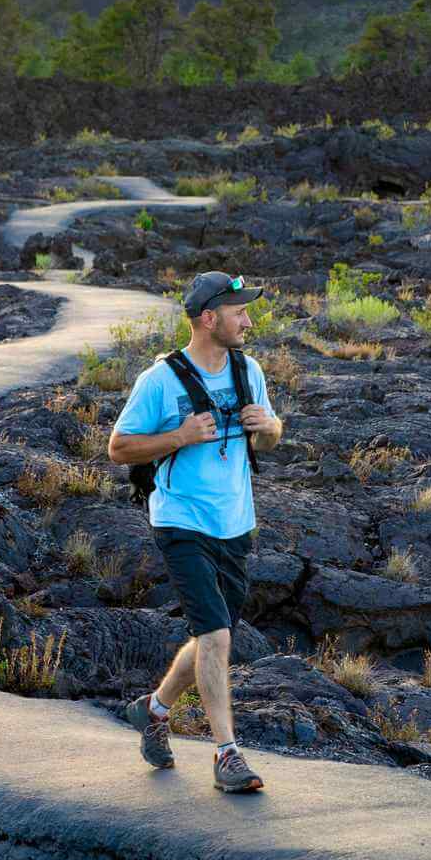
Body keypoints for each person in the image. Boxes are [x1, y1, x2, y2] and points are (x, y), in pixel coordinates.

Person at [107, 271, 282, 793]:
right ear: (210, 318)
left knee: (211, 637)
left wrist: (268, 427)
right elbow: (118, 448)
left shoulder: (248, 370)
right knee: (216, 635)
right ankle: (227, 754)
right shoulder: (159, 380)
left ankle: (155, 710)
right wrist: (179, 435)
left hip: (236, 522)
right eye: (239, 312)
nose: (248, 321)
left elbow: (272, 438)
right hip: (181, 520)